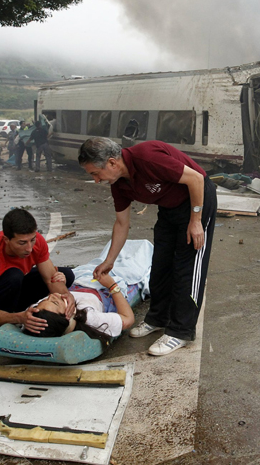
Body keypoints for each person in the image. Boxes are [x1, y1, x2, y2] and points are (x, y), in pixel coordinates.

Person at [78, 137, 217, 356]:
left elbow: (196, 179)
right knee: (160, 263)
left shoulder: (147, 157)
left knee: (186, 266)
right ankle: (158, 319)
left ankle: (180, 331)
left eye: (95, 173)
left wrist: (196, 221)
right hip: (169, 207)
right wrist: (109, 261)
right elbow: (122, 223)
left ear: (112, 163)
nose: (96, 180)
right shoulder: (119, 184)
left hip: (196, 200)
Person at [0, 209, 76, 347]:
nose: (29, 248)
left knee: (66, 274)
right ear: (6, 240)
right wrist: (20, 317)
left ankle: (14, 311)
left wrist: (66, 297)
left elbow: (50, 279)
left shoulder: (37, 242)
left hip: (13, 282)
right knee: (14, 276)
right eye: (22, 243)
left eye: (32, 240)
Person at [23, 272, 135, 342]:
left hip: (80, 278)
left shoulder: (41, 312)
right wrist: (112, 285)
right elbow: (128, 319)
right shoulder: (90, 318)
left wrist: (62, 283)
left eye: (47, 298)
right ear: (66, 317)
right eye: (55, 302)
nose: (53, 295)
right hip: (103, 286)